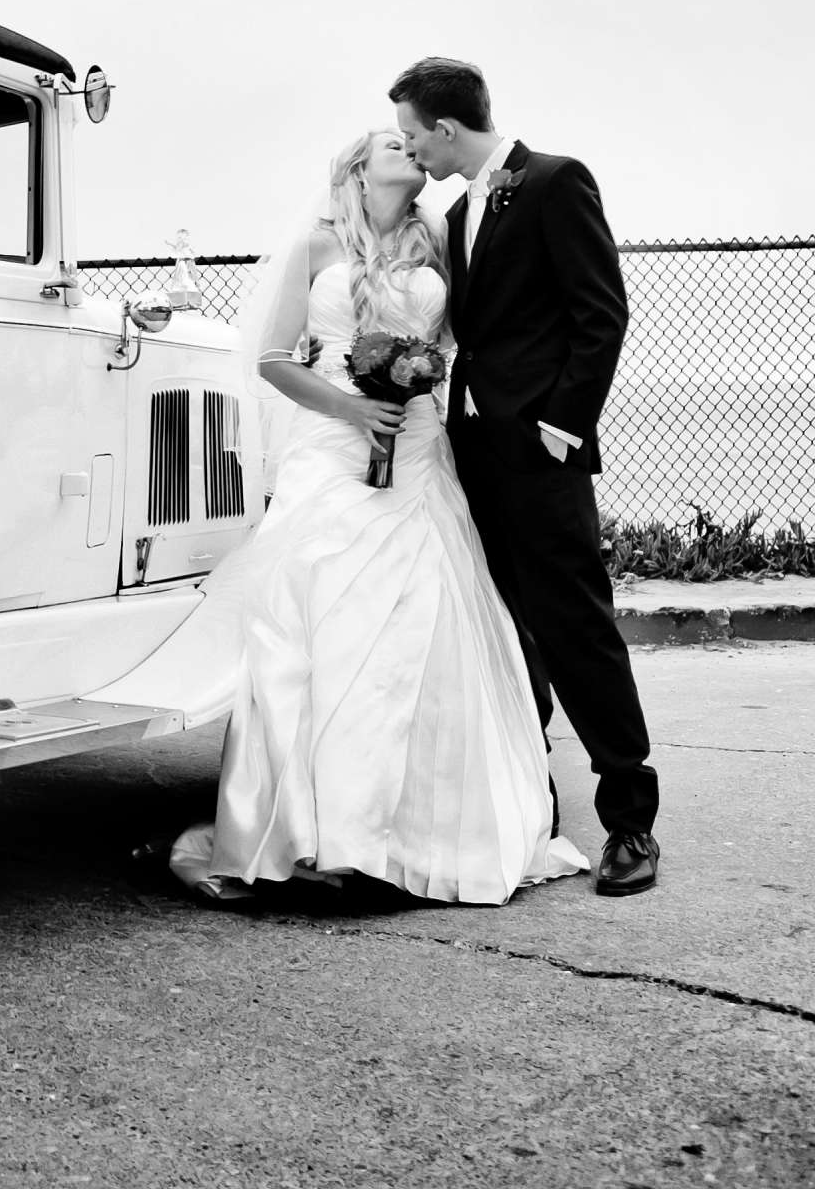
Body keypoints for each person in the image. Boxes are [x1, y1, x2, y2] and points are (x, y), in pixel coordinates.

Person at [166, 126, 588, 905]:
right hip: (331, 447)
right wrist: (354, 408)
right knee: (319, 618)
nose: (408, 148)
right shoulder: (315, 247)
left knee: (425, 614)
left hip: (418, 448)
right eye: (391, 142)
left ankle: (420, 828)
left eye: (412, 140)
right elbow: (271, 359)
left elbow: (482, 335)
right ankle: (313, 821)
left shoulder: (440, 241)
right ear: (358, 171)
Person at [390, 56, 661, 896]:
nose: (410, 154)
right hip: (468, 449)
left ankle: (631, 825)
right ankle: (527, 798)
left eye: (411, 136)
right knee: (505, 630)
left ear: (446, 126)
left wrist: (561, 427)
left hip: (538, 451)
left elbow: (600, 312)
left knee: (574, 625)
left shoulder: (552, 182)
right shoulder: (454, 211)